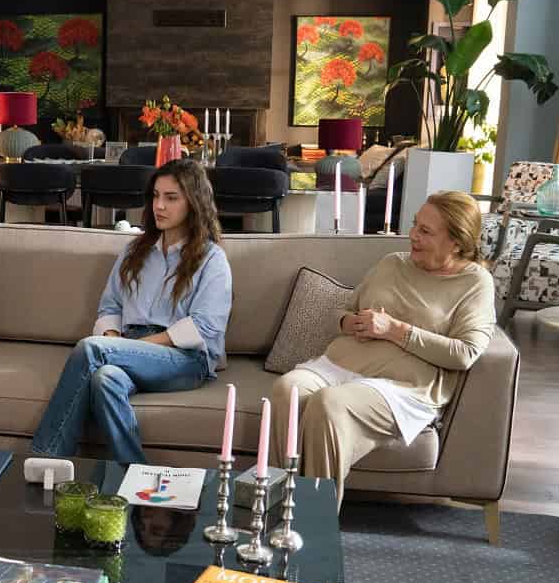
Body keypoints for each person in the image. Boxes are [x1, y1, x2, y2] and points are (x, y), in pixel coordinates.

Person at [271, 191, 496, 508]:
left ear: (456, 243)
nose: (413, 235)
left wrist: (395, 330)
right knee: (287, 390)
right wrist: (348, 322)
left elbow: (465, 353)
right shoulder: (392, 263)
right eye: (415, 224)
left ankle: (312, 519)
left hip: (403, 387)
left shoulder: (475, 283)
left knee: (329, 403)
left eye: (425, 231)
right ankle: (278, 506)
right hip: (339, 365)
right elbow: (342, 311)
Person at [31, 158, 232, 464]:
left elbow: (204, 327)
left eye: (171, 198)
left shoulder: (211, 258)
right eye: (156, 196)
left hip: (185, 358)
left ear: (194, 203)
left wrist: (121, 347)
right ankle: (136, 474)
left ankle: (46, 460)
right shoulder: (134, 250)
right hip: (129, 347)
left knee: (91, 349)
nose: (159, 206)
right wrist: (115, 340)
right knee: (105, 379)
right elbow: (110, 306)